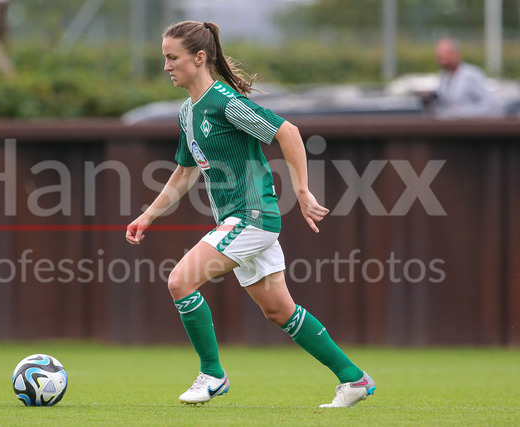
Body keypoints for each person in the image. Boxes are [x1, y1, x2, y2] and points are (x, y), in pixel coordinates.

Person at [125, 20, 375, 408]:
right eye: (165, 58)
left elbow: (287, 132)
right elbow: (185, 172)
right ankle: (353, 378)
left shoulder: (224, 101)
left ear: (199, 58)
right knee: (279, 310)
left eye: (172, 58)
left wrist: (302, 191)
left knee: (180, 282)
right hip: (239, 220)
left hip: (251, 216)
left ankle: (212, 374)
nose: (166, 66)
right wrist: (149, 215)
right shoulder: (187, 112)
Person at [430, 37, 503, 118]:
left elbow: (492, 105)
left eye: (446, 55)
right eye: (440, 56)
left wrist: (461, 113)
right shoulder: (444, 76)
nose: (443, 59)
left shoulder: (470, 75)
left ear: (457, 54)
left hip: (471, 123)